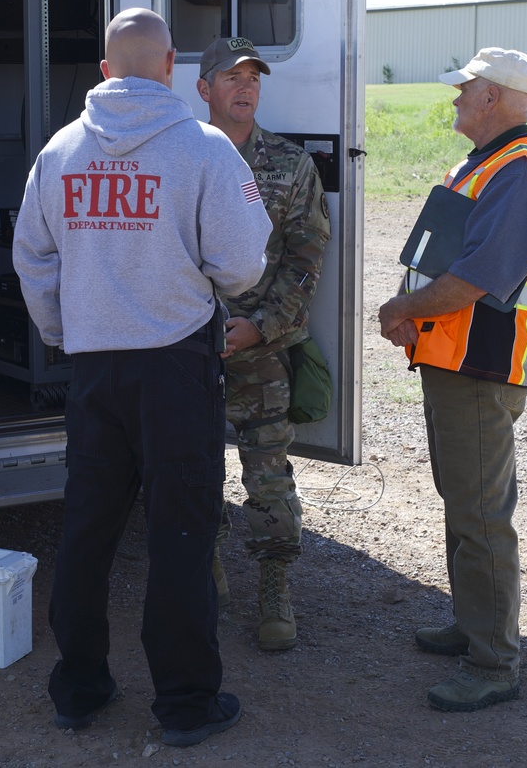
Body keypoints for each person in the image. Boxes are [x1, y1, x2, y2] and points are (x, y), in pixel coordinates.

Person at [12, 9, 271, 747]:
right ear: (168, 68)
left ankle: (79, 688)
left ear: (103, 72)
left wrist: (69, 333)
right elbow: (244, 263)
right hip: (175, 369)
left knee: (88, 528)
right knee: (180, 535)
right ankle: (186, 703)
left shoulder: (59, 153)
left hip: (94, 370)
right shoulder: (206, 149)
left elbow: (32, 259)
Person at [377, 47, 527, 712]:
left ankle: (494, 663)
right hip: (453, 364)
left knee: (481, 517)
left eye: (466, 90)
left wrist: (401, 310)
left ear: (492, 100)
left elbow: (475, 279)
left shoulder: (519, 175)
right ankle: (474, 624)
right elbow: (438, 259)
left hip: (480, 372)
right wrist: (410, 313)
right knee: (464, 504)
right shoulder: (484, 166)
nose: (455, 99)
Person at [195, 38, 331, 650]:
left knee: (268, 474)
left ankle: (274, 587)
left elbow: (305, 257)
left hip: (258, 347)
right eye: (232, 76)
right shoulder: (178, 155)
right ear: (204, 89)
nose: (246, 87)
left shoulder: (289, 164)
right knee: (189, 472)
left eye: (254, 77)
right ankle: (204, 565)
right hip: (186, 346)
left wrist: (263, 326)